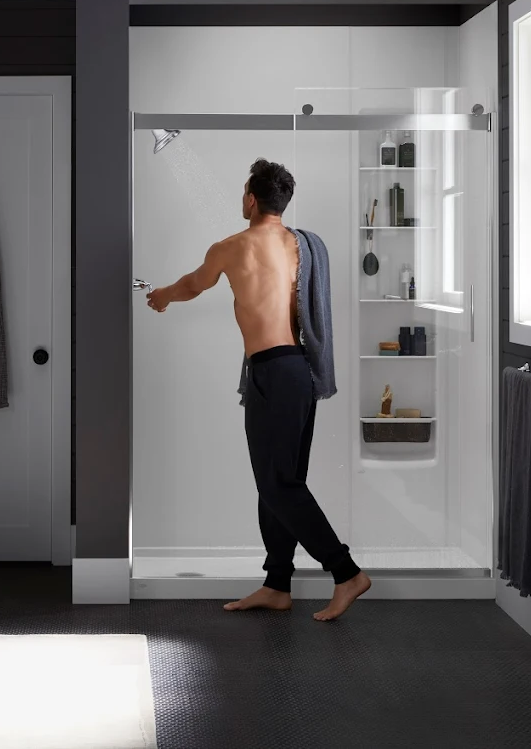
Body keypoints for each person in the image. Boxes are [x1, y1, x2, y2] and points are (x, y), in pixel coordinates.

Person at [146, 159, 371, 621]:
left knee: (278, 483)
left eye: (244, 190)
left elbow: (193, 285)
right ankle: (277, 584)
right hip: (298, 372)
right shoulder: (300, 245)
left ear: (251, 198)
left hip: (273, 373)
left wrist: (163, 295)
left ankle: (346, 573)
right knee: (278, 483)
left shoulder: (232, 246)